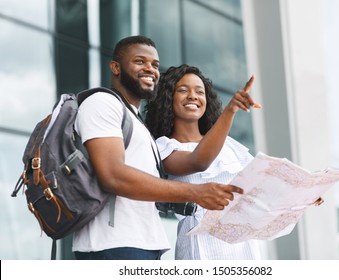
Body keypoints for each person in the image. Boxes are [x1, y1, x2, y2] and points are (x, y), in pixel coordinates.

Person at [71, 36, 243, 260]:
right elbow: (113, 176)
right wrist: (196, 193)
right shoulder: (103, 103)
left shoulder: (138, 124)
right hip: (113, 244)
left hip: (143, 245)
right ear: (115, 67)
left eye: (154, 65)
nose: (150, 69)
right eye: (140, 61)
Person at [144, 64, 263, 260]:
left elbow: (261, 185)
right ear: (167, 98)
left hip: (243, 246)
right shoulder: (163, 146)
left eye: (199, 92)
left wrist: (303, 193)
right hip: (200, 247)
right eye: (183, 90)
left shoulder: (229, 145)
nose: (193, 96)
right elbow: (198, 162)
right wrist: (230, 110)